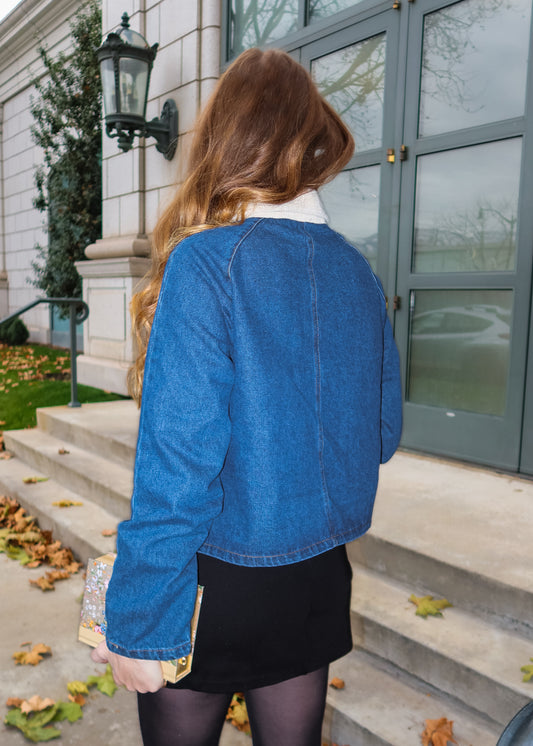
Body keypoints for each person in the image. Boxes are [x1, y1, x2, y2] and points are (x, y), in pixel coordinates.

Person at [91, 47, 403, 746]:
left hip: (212, 579)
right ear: (310, 140)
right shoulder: (356, 272)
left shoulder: (208, 263)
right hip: (317, 575)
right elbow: (380, 434)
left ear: (225, 137)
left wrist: (140, 620)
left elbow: (178, 465)